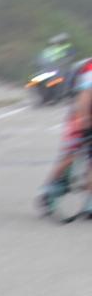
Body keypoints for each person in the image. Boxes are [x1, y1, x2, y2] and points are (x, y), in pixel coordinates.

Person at [38, 55, 92, 212]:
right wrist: (83, 120)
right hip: (80, 113)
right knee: (70, 154)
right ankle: (47, 189)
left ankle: (89, 202)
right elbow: (85, 96)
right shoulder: (90, 68)